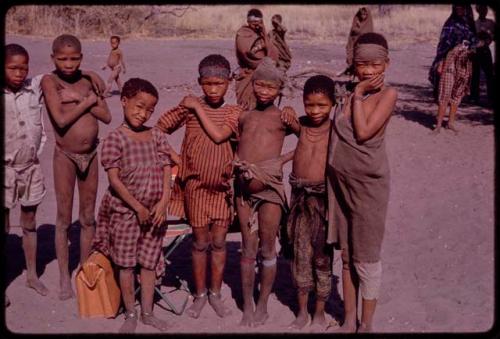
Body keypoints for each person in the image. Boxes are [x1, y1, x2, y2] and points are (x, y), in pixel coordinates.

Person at [156, 54, 242, 319]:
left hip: (222, 190)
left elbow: (220, 138)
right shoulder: (189, 109)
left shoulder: (234, 112)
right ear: (199, 82)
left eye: (219, 84)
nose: (213, 90)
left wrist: (196, 105)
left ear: (230, 81)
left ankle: (215, 293)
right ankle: (200, 294)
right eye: (207, 84)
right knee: (199, 243)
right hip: (195, 189)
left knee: (219, 243)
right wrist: (175, 157)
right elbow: (159, 128)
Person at [326, 32, 397, 333]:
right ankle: (348, 318)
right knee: (346, 255)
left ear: (387, 64)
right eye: (361, 64)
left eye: (374, 64)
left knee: (366, 257)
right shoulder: (347, 94)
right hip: (341, 185)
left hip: (369, 186)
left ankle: (365, 324)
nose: (367, 71)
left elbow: (364, 132)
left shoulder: (387, 95)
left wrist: (357, 95)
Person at [91, 78, 172, 333]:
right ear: (124, 101)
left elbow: (167, 169)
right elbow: (114, 180)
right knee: (126, 264)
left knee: (148, 263)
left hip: (155, 214)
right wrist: (137, 207)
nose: (143, 113)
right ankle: (131, 312)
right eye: (138, 106)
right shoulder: (115, 139)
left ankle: (148, 312)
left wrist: (164, 201)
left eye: (149, 109)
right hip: (126, 213)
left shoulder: (157, 135)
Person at [41, 34, 111, 300]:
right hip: (65, 157)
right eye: (62, 59)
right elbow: (59, 120)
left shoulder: (86, 80)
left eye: (73, 59)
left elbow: (107, 116)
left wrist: (84, 93)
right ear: (53, 58)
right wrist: (87, 101)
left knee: (87, 217)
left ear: (81, 58)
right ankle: (63, 277)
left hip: (91, 154)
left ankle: (84, 269)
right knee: (63, 218)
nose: (68, 64)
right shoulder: (51, 81)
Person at [233, 57, 299, 327]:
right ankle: (247, 305)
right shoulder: (244, 114)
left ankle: (263, 305)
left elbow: (310, 139)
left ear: (279, 90)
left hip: (270, 189)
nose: (263, 91)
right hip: (243, 190)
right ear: (253, 84)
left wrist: (280, 162)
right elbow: (235, 142)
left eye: (270, 88)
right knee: (248, 248)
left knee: (268, 247)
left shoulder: (283, 117)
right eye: (259, 85)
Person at [285, 75, 336, 330]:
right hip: (299, 198)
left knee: (322, 256)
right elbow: (284, 123)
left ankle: (320, 311)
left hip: (324, 200)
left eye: (322, 105)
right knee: (299, 254)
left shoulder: (337, 131)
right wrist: (288, 112)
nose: (315, 111)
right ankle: (302, 311)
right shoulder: (301, 125)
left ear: (333, 104)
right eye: (309, 105)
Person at [4, 44, 49, 306]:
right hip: (5, 171)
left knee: (30, 222)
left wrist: (93, 75)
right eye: (12, 68)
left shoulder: (35, 89)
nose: (19, 73)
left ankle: (32, 275)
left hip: (31, 168)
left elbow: (62, 70)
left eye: (24, 67)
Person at [428, 5, 477, 100]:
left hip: (464, 59)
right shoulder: (450, 23)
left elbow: (473, 40)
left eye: (461, 7)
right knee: (445, 86)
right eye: (456, 8)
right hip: (449, 57)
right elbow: (444, 43)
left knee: (459, 87)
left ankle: (452, 110)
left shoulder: (468, 23)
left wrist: (473, 47)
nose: (459, 9)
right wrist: (441, 60)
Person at [235, 8, 279, 110]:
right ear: (248, 21)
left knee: (264, 101)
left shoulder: (262, 33)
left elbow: (274, 53)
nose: (257, 25)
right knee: (246, 105)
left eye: (259, 22)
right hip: (248, 74)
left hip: (263, 74)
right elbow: (247, 53)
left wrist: (264, 35)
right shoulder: (243, 33)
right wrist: (260, 48)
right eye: (253, 22)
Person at [432, 40, 478, 134]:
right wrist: (441, 61)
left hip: (465, 61)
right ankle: (438, 125)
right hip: (450, 60)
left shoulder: (472, 27)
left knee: (457, 94)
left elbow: (479, 41)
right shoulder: (452, 25)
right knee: (445, 93)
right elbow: (444, 43)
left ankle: (450, 123)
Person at [470, 5, 495, 105]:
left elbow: (492, 36)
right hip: (476, 50)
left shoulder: (491, 23)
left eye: (485, 9)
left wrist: (488, 36)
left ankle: (491, 97)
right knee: (475, 74)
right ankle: (474, 97)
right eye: (481, 9)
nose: (483, 11)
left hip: (485, 49)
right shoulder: (474, 23)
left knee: (489, 74)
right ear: (477, 10)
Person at [342, 7, 373, 77]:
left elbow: (366, 34)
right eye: (361, 14)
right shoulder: (356, 20)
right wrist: (356, 29)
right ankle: (353, 76)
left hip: (364, 48)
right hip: (354, 45)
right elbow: (351, 34)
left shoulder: (368, 24)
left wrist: (358, 30)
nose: (363, 16)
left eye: (365, 15)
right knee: (353, 61)